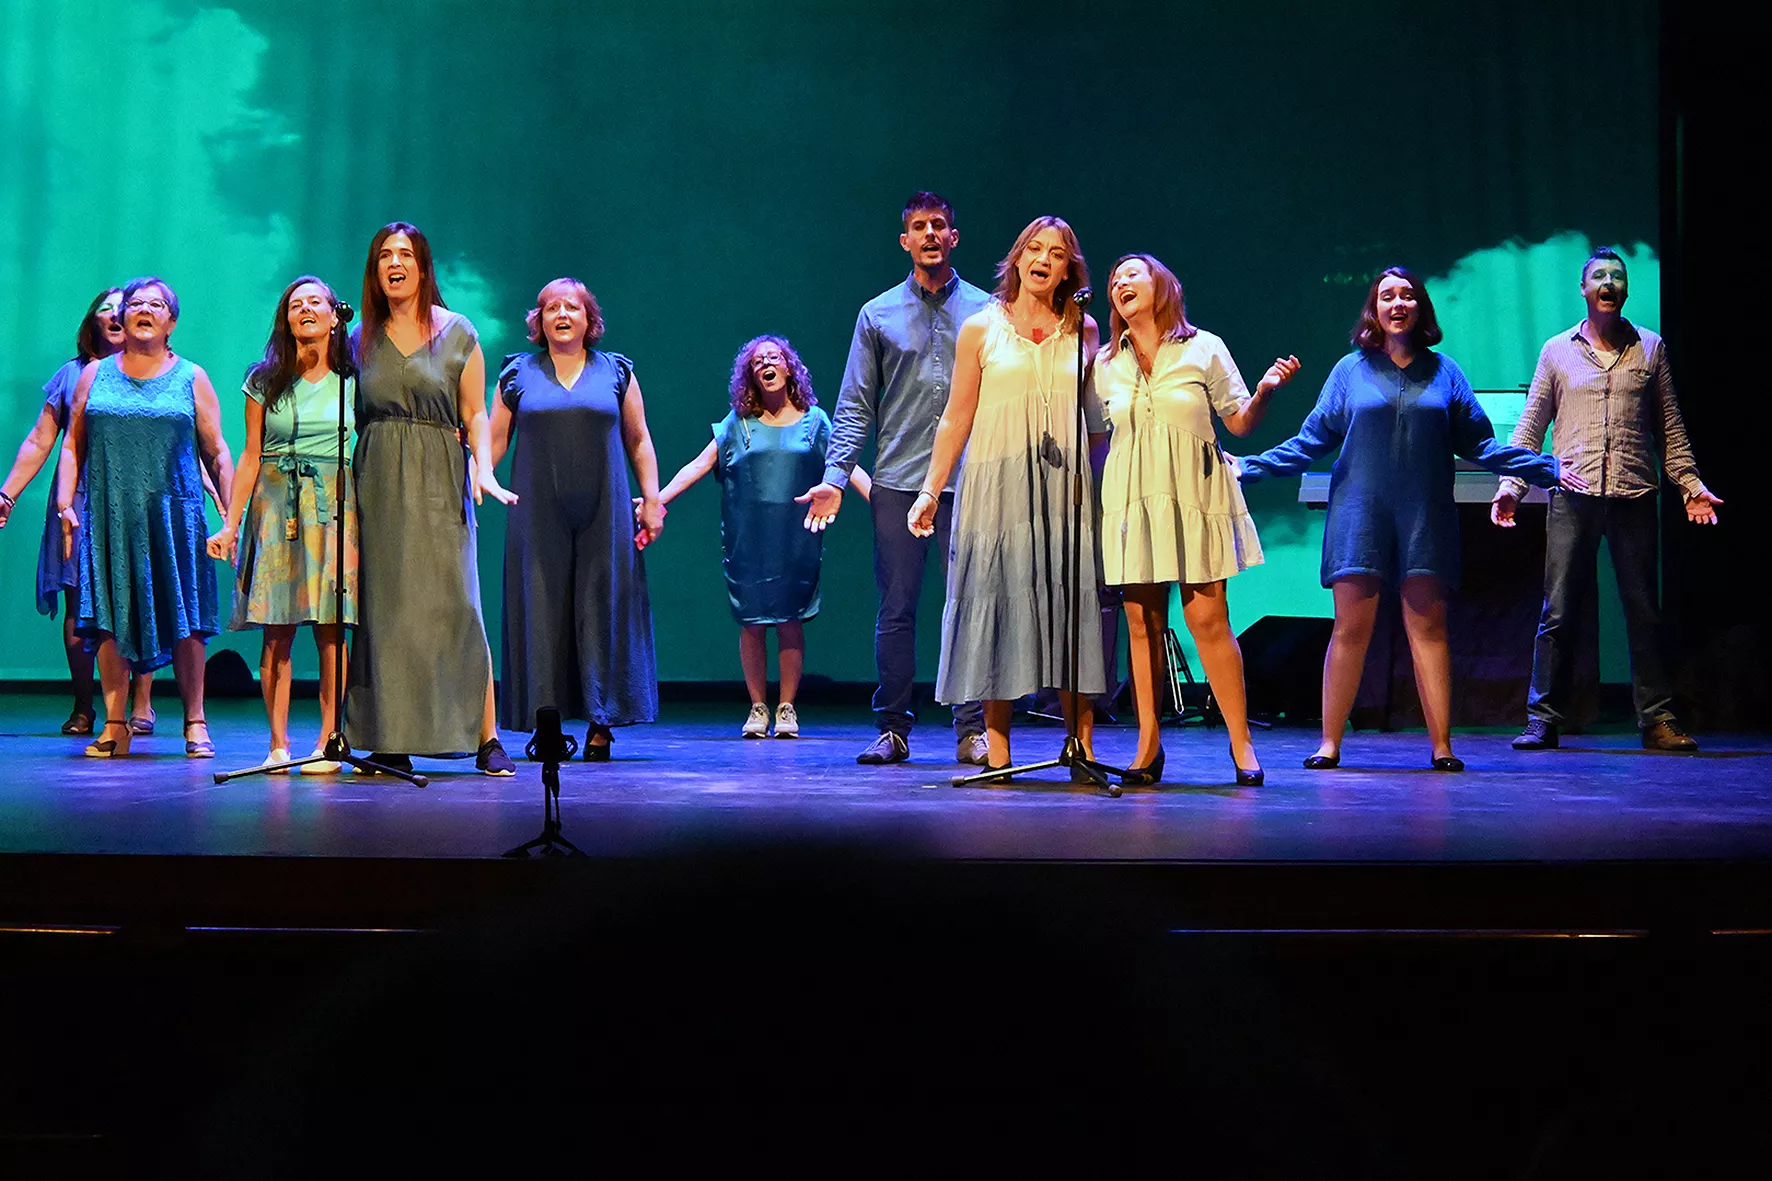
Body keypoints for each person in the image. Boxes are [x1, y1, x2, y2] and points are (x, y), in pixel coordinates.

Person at [1235, 267, 1584, 772]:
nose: (1397, 304)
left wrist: (1546, 468)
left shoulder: (1446, 373)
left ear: (1420, 307)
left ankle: (1442, 746)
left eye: (1406, 296)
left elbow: (1481, 446)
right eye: (1386, 297)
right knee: (1350, 630)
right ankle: (1329, 743)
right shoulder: (1348, 372)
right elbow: (1311, 442)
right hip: (1360, 513)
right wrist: (1251, 465)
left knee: (1430, 628)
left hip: (1425, 515)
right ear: (1373, 311)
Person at [1492, 247, 1721, 752]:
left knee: (1644, 612)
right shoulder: (1557, 350)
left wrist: (1690, 484)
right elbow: (1530, 426)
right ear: (1584, 289)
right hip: (1572, 495)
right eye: (1600, 275)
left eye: (1617, 276)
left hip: (1633, 494)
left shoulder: (1650, 348)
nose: (1609, 283)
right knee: (1558, 611)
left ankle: (1657, 719)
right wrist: (1511, 486)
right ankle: (1542, 718)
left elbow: (1671, 427)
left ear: (1625, 290)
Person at [797, 192, 991, 766]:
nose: (929, 234)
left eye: (939, 225)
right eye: (917, 227)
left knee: (970, 604)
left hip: (972, 479)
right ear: (905, 241)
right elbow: (856, 404)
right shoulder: (877, 313)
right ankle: (893, 728)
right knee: (898, 607)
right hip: (901, 479)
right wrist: (835, 476)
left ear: (954, 237)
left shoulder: (988, 311)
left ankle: (972, 727)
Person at [908, 215, 1107, 774]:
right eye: (1035, 249)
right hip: (996, 487)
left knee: (1069, 608)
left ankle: (1081, 747)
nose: (1045, 259)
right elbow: (956, 418)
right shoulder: (981, 327)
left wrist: (1102, 488)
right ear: (1017, 259)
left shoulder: (1083, 330)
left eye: (1059, 253)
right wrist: (929, 491)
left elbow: (1094, 425)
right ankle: (998, 749)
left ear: (1070, 269)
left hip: (1064, 488)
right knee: (995, 600)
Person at [1096, 254, 1300, 785]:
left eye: (1131, 275)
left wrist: (1265, 392)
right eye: (1114, 280)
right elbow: (1099, 437)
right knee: (1142, 624)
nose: (1120, 284)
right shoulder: (1104, 364)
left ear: (1162, 286)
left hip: (1193, 493)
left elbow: (1239, 424)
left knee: (1208, 620)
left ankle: (1241, 743)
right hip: (1131, 501)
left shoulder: (1203, 347)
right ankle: (1147, 746)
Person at [345, 222, 517, 776]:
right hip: (376, 482)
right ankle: (387, 737)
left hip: (440, 478)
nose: (394, 264)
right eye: (384, 256)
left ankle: (485, 736)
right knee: (385, 612)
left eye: (405, 255)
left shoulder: (458, 332)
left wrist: (484, 471)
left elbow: (474, 416)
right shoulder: (359, 341)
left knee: (457, 606)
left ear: (423, 266)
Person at [656, 335, 869, 738]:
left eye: (774, 357)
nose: (766, 364)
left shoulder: (815, 421)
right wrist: (658, 499)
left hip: (796, 538)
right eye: (757, 362)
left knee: (790, 619)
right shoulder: (738, 425)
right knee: (752, 621)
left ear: (789, 368)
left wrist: (883, 504)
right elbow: (699, 465)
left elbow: (846, 467)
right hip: (748, 540)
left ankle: (786, 707)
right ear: (751, 376)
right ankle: (758, 707)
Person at [58, 276, 235, 758]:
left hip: (175, 517)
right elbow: (72, 445)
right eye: (135, 303)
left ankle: (195, 722)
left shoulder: (190, 376)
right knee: (112, 620)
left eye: (155, 304)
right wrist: (65, 506)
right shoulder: (96, 374)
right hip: (111, 516)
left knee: (188, 621)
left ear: (170, 321)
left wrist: (230, 516)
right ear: (122, 317)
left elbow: (217, 450)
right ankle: (116, 723)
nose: (143, 309)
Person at [492, 277, 660, 759]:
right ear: (539, 321)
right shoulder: (517, 373)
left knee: (601, 606)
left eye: (572, 308)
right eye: (551, 309)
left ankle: (601, 722)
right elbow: (495, 440)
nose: (562, 315)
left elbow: (639, 440)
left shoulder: (616, 371)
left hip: (604, 506)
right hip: (537, 507)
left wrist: (651, 500)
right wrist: (479, 478)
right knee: (539, 607)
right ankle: (544, 722)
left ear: (590, 321)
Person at [207, 276, 357, 773]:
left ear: (335, 315)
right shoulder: (264, 379)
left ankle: (329, 738)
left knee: (332, 630)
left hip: (333, 503)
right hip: (275, 504)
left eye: (316, 302)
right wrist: (230, 525)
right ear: (286, 318)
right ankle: (277, 744)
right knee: (278, 629)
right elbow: (249, 455)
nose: (306, 310)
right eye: (296, 304)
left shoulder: (354, 377)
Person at [1, 288, 156, 735]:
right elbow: (39, 440)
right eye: (105, 308)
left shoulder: (157, 372)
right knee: (77, 599)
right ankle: (85, 704)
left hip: (135, 496)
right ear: (93, 323)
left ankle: (141, 703)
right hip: (79, 499)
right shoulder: (72, 375)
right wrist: (7, 494)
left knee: (138, 597)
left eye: (121, 308)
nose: (114, 314)